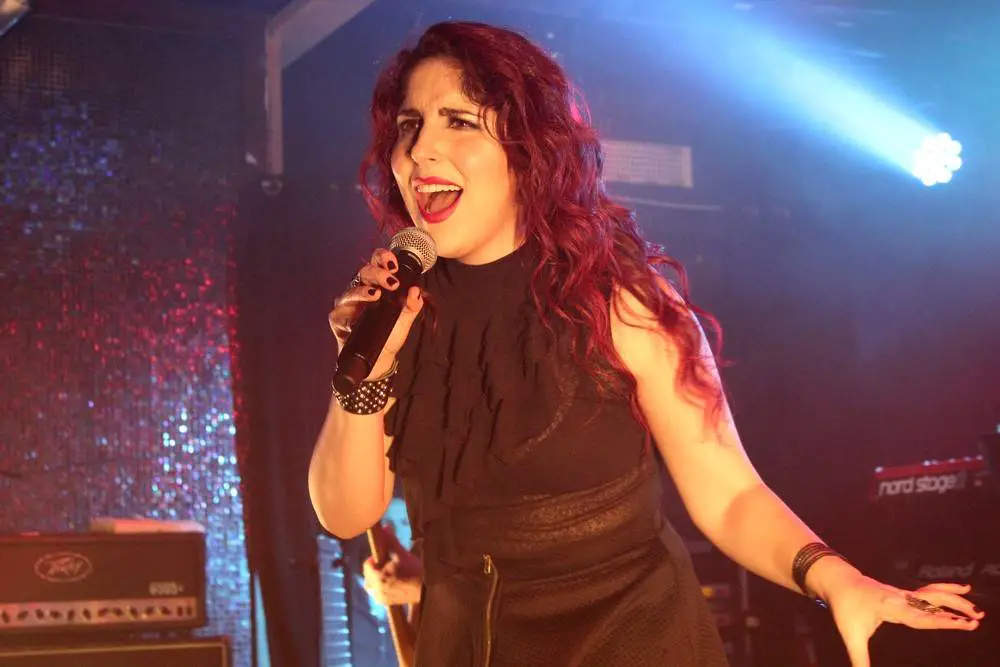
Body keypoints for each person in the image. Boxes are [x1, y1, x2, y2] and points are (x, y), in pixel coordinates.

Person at [309, 21, 982, 667]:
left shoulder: (615, 299)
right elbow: (344, 512)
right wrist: (362, 372)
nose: (420, 149)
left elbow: (729, 495)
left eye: (458, 120)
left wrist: (838, 579)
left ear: (528, 148)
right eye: (409, 125)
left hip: (624, 644)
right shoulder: (403, 312)